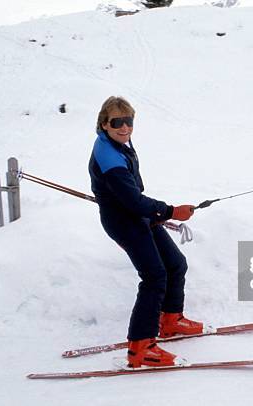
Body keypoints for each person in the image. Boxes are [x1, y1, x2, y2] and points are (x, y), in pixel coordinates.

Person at [89, 96, 209, 368]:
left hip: (138, 215)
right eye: (117, 122)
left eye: (128, 121)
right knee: (154, 276)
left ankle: (170, 320)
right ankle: (141, 347)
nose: (124, 127)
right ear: (104, 124)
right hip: (125, 221)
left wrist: (156, 212)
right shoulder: (108, 155)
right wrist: (170, 211)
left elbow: (133, 197)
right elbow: (131, 200)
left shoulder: (118, 143)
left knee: (176, 264)